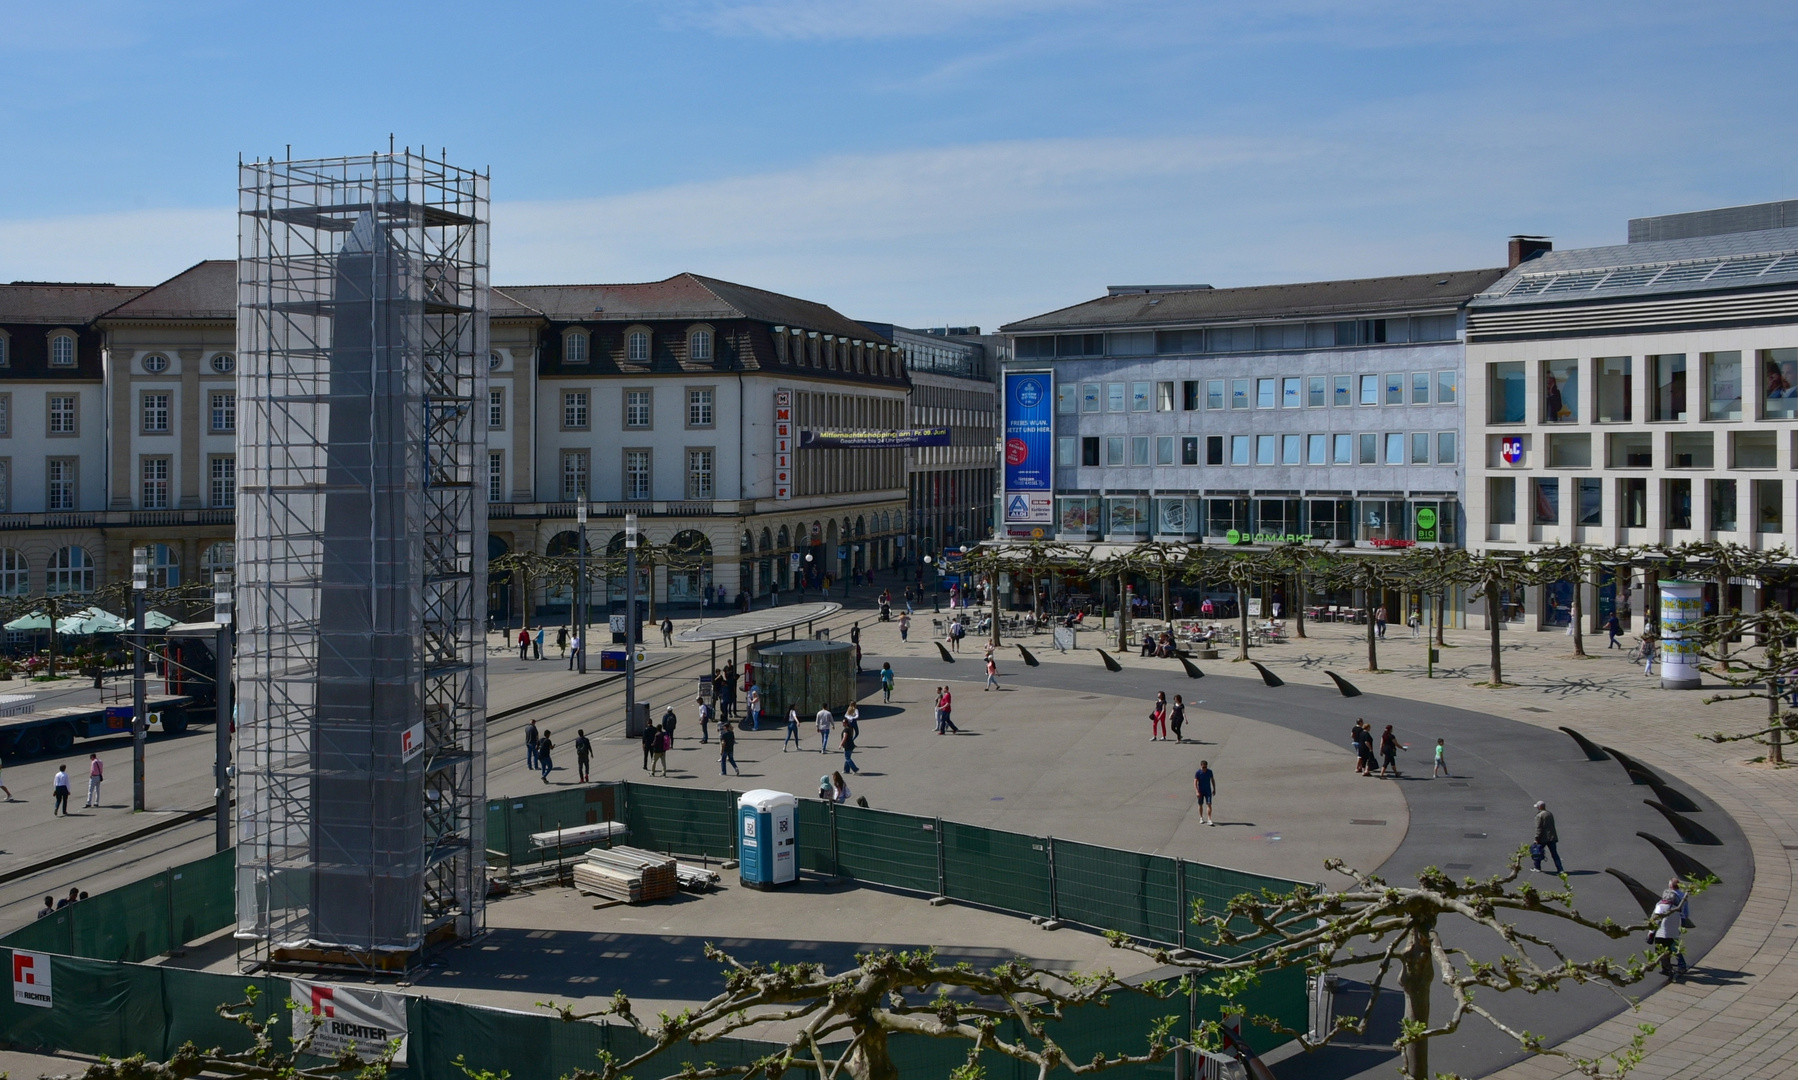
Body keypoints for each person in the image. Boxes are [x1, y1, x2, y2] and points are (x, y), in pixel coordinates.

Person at [1650, 880, 1691, 979]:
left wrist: (1651, 933)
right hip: (1674, 933)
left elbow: (1655, 920)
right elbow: (1683, 917)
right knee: (1674, 949)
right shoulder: (1677, 908)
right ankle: (1680, 966)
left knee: (1661, 951)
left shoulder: (1660, 906)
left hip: (1662, 933)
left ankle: (1667, 969)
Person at [1532, 800, 1564, 873]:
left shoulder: (1539, 816)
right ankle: (1560, 869)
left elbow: (1539, 828)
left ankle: (1537, 867)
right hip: (1552, 837)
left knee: (1537, 852)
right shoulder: (1549, 814)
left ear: (1540, 807)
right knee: (1554, 854)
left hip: (1543, 838)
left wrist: (1536, 838)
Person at [1193, 761, 1216, 826]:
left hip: (1208, 790)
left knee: (1209, 804)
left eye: (1205, 767)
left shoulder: (1209, 772)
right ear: (1201, 766)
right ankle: (1201, 817)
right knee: (1200, 804)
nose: (1204, 769)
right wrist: (1197, 791)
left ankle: (1209, 819)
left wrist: (1214, 789)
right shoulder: (1198, 773)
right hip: (1200, 791)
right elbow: (1195, 782)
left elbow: (1212, 780)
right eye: (1203, 767)